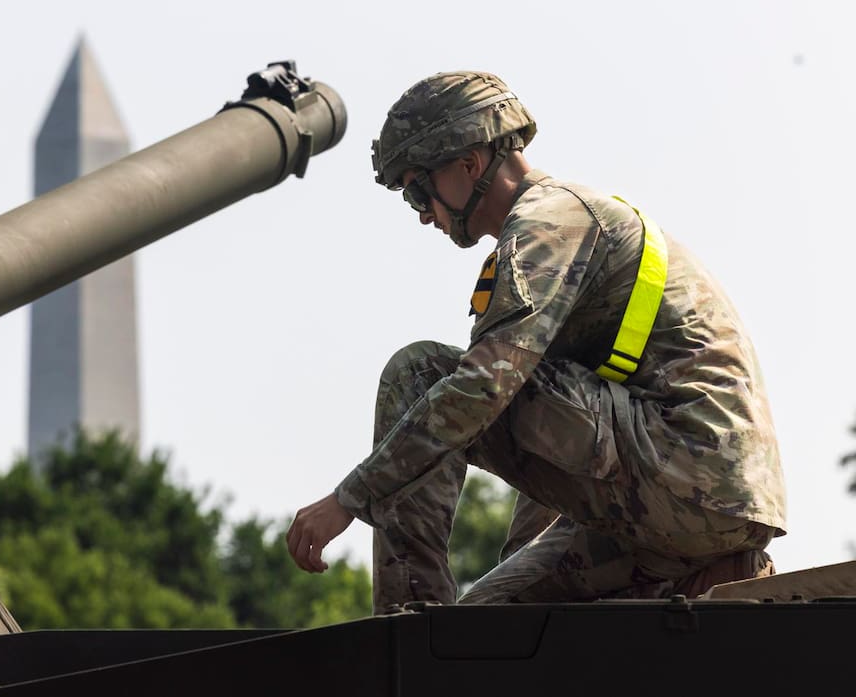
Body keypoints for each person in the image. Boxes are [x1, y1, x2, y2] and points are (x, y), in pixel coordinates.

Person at [285, 71, 787, 610]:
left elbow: (483, 391)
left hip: (682, 475)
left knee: (422, 375)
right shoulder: (554, 233)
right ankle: (715, 568)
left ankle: (407, 626)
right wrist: (527, 556)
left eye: (417, 190)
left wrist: (349, 498)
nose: (424, 213)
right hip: (684, 505)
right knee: (489, 633)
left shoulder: (549, 225)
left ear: (468, 164)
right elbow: (549, 426)